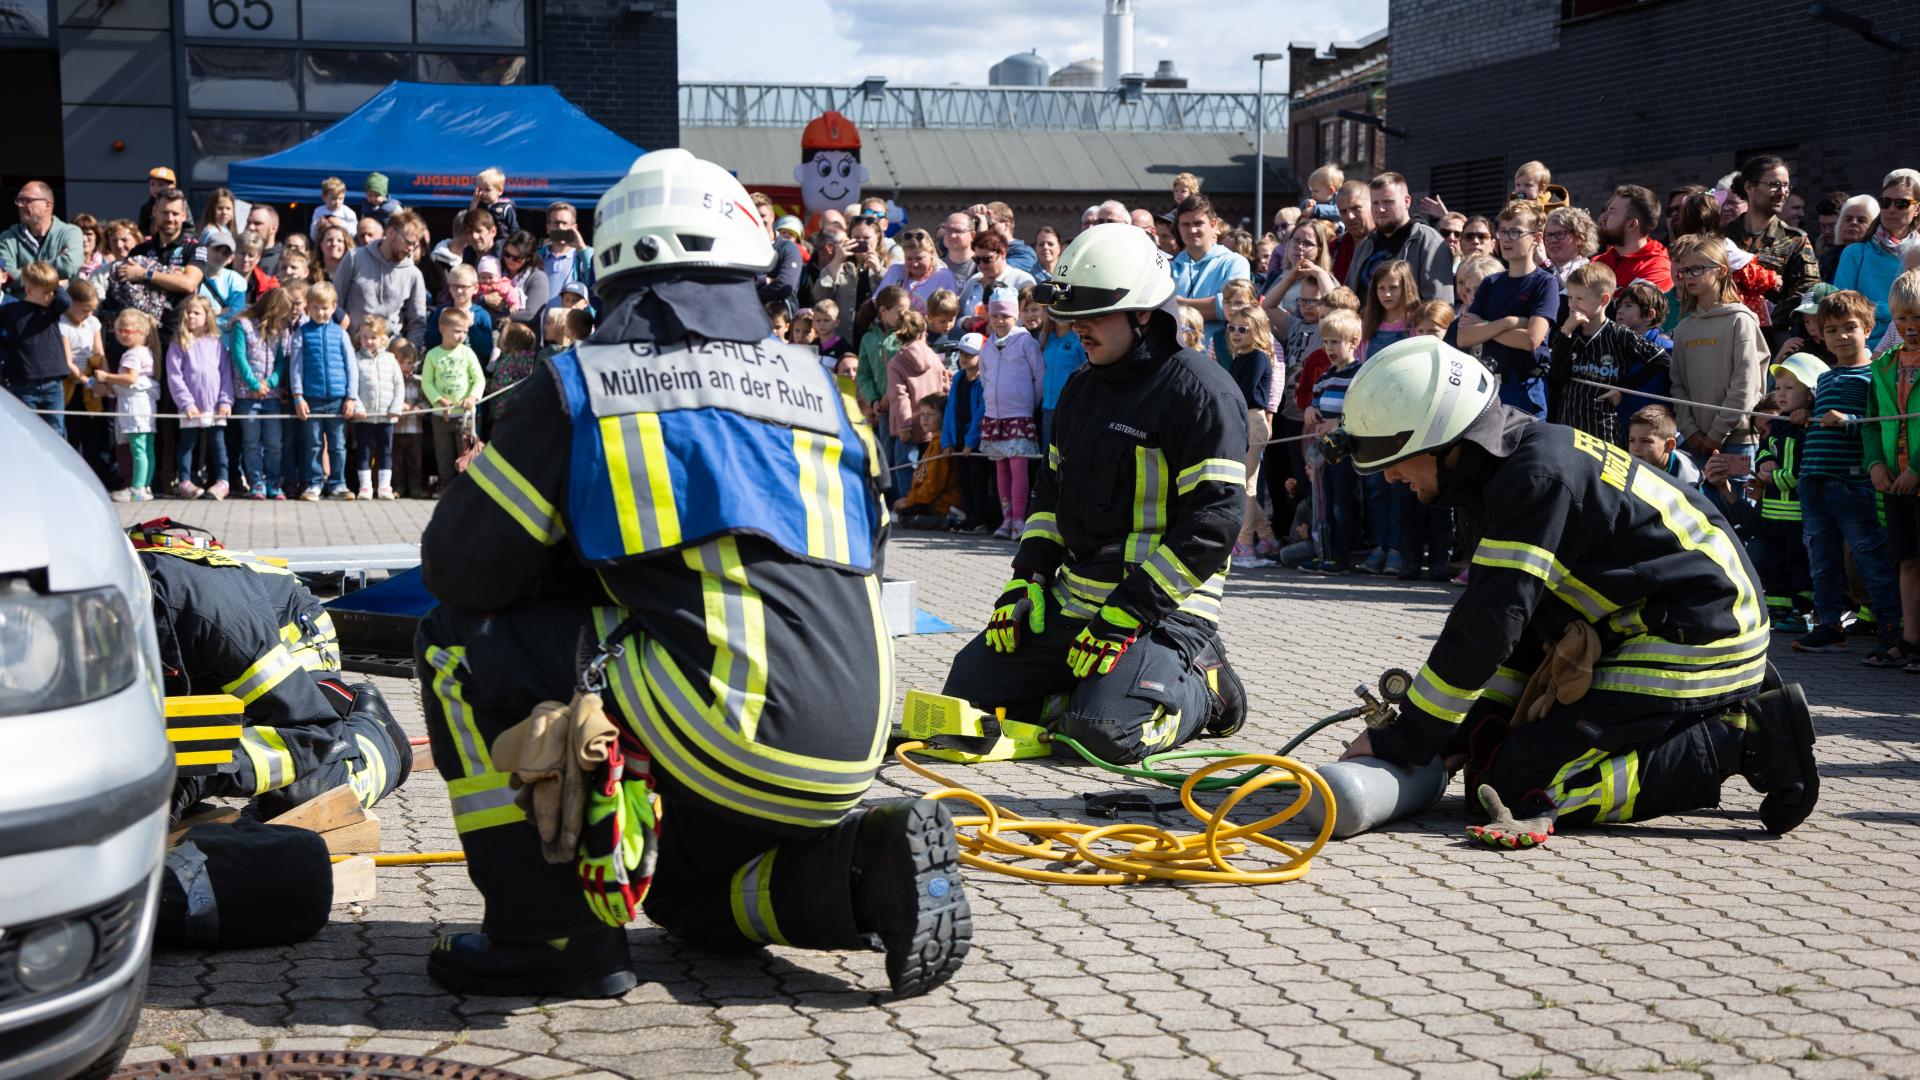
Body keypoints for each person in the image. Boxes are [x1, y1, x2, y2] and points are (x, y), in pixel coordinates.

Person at [409, 147, 969, 1001]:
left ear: (613, 270)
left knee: (453, 647)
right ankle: (865, 865)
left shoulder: (584, 385)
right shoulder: (827, 392)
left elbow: (461, 571)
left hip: (722, 724)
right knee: (681, 896)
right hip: (850, 742)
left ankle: (547, 932)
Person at [1332, 335, 1816, 848]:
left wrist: (1405, 739)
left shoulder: (1535, 478)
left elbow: (1487, 627)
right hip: (1650, 622)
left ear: (1447, 444)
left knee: (1523, 786)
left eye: (1396, 457)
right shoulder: (1500, 470)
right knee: (1488, 766)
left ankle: (1740, 738)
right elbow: (1521, 627)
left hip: (1703, 633)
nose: (1388, 475)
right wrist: (1466, 731)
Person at [942, 222, 1249, 765]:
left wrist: (1127, 613)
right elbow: (1049, 498)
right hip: (1076, 601)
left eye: (1093, 315)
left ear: (1144, 315)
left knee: (1102, 737)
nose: (1079, 328)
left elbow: (1213, 525)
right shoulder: (1082, 388)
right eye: (1072, 315)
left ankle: (1205, 687)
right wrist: (1026, 581)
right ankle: (1080, 695)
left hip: (1161, 609)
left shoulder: (1201, 393)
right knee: (964, 703)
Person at [142, 545, 408, 821]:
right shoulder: (109, 604)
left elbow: (309, 735)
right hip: (210, 653)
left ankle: (374, 733)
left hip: (288, 633)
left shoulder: (226, 623)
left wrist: (198, 773)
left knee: (302, 795)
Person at [1792, 289, 1905, 662]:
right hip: (1814, 480)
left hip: (1852, 482)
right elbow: (1819, 420)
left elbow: (1880, 427)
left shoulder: (1876, 374)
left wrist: (1850, 422)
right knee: (1820, 559)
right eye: (1831, 330)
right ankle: (1829, 626)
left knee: (1869, 557)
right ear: (1822, 336)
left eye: (1849, 327)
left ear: (1869, 328)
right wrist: (1801, 414)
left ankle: (1891, 629)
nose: (1841, 336)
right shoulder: (1825, 378)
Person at [1668, 235, 1769, 462]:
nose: (1688, 276)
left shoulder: (1740, 320)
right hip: (1694, 441)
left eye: (1698, 269)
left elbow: (1745, 384)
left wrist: (1717, 433)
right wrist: (1690, 431)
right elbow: (1678, 386)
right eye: (1685, 270)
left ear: (1722, 271)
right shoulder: (1684, 327)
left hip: (1738, 441)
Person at [1456, 200, 1559, 419]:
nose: (1506, 239)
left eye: (1515, 232)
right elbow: (1464, 336)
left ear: (1536, 238)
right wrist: (1510, 322)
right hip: (1490, 387)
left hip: (1525, 389)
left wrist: (1485, 328)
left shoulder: (1545, 283)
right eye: (1503, 232)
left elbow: (1531, 339)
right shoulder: (1490, 283)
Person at [1548, 263, 1670, 445]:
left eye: (1580, 298)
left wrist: (1622, 388)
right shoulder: (1569, 332)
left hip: (1604, 431)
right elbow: (1556, 376)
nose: (1572, 305)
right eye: (1570, 298)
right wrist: (1565, 332)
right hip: (1568, 426)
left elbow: (1662, 360)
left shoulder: (1619, 333)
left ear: (1604, 300)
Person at [1866, 270, 1920, 670]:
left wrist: (1917, 467)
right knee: (1906, 560)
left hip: (1916, 476)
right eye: (1902, 319)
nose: (1909, 327)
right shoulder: (1883, 365)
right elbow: (1871, 422)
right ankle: (1910, 640)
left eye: (1918, 318)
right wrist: (1875, 463)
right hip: (1895, 482)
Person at [1751, 352, 1823, 633]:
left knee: (1798, 564)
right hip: (1771, 512)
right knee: (1774, 562)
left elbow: (1803, 469)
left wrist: (1774, 477)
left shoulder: (1811, 427)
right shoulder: (1777, 424)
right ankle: (1778, 607)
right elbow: (1764, 449)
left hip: (1798, 514)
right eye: (1778, 387)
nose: (1780, 394)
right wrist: (1763, 460)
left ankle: (1801, 611)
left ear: (1810, 391)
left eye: (1790, 387)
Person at [1724, 155, 1821, 349]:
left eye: (1786, 186)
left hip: (1773, 340)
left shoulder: (1795, 239)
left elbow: (1808, 291)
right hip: (1725, 334)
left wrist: (1766, 312)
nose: (1783, 192)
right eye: (1775, 185)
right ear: (1750, 187)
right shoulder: (1723, 236)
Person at [976, 295, 1044, 538]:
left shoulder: (1025, 342)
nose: (1000, 320)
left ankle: (1019, 519)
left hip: (1019, 415)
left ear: (1014, 316)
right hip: (994, 415)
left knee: (1019, 468)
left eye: (1005, 315)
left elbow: (1039, 376)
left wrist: (1028, 403)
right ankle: (1006, 520)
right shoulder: (987, 347)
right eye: (995, 315)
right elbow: (984, 378)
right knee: (1001, 470)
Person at [289, 281, 359, 501]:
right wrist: (298, 396)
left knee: (338, 445)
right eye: (316, 307)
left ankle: (338, 484)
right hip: (312, 398)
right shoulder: (301, 334)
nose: (321, 312)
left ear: (333, 307)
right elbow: (296, 367)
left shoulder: (340, 334)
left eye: (325, 307)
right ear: (308, 308)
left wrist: (351, 397)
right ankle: (313, 483)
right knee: (313, 444)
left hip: (338, 400)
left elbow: (351, 367)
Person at [1834, 169, 1920, 341]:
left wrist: (1870, 306)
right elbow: (1841, 306)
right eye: (1885, 202)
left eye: (1901, 203)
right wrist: (1894, 311)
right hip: (1863, 351)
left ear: (1917, 209)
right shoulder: (1855, 252)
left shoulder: (1917, 253)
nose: (1891, 209)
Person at [1344, 172, 1455, 304]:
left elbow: (1440, 305)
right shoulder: (1366, 245)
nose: (1380, 209)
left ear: (1407, 201)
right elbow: (1348, 296)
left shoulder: (1428, 242)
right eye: (1375, 203)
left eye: (1388, 202)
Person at [227, 287, 295, 500]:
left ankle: (274, 482)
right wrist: (254, 384)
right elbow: (238, 357)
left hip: (271, 396)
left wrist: (271, 382)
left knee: (274, 442)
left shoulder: (281, 330)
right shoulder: (243, 325)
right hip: (247, 395)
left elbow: (281, 361)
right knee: (251, 442)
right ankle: (257, 482)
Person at [1224, 304, 1278, 565]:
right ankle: (1267, 538)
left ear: (1256, 331)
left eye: (1242, 329)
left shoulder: (1257, 357)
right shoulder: (1240, 357)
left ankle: (1245, 545)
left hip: (1253, 420)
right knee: (1244, 483)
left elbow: (1243, 392)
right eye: (1232, 328)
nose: (1235, 333)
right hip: (1241, 419)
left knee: (1247, 485)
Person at [332, 208, 430, 348]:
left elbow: (418, 322)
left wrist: (408, 355)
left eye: (415, 244)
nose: (411, 249)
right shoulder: (354, 258)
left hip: (390, 355)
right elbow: (335, 303)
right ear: (390, 232)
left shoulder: (413, 274)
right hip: (353, 348)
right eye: (408, 242)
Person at [167, 296, 233, 498]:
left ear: (207, 316)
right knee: (187, 443)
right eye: (188, 312)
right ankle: (185, 481)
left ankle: (222, 481)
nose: (191, 316)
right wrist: (186, 403)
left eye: (196, 313)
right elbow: (174, 376)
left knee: (218, 444)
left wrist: (225, 400)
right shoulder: (179, 344)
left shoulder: (216, 343)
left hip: (215, 406)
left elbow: (225, 374)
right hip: (190, 407)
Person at [0, 261, 75, 434]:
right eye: (46, 292)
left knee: (56, 429)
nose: (51, 296)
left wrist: (56, 286)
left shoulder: (52, 310)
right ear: (29, 291)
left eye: (52, 291)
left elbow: (65, 301)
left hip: (52, 382)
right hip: (24, 383)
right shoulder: (11, 310)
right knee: (27, 431)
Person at [1170, 195, 1252, 343]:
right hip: (1175, 355)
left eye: (1198, 223)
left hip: (1216, 358)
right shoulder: (1170, 267)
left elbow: (1233, 307)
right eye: (1186, 225)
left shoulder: (1234, 262)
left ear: (1213, 224)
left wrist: (1179, 305)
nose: (1192, 230)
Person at [103, 309, 160, 499]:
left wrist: (107, 377)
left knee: (138, 448)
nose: (120, 334)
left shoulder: (131, 355)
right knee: (147, 447)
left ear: (141, 332)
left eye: (125, 331)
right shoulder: (146, 352)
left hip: (135, 408)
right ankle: (145, 486)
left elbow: (130, 378)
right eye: (118, 330)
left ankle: (137, 487)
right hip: (146, 406)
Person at [351, 314, 404, 500]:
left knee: (385, 451)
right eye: (365, 337)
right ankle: (365, 487)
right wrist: (357, 407)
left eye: (373, 337)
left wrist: (396, 407)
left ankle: (384, 487)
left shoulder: (390, 359)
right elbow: (351, 387)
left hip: (386, 416)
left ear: (383, 339)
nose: (368, 341)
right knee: (364, 450)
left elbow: (399, 385)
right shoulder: (356, 359)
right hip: (364, 416)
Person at [1, 181, 83, 295]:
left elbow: (69, 265)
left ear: (47, 205)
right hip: (22, 309)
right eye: (18, 200)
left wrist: (23, 270)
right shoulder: (7, 238)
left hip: (59, 309)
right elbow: (7, 276)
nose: (20, 205)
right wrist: (54, 275)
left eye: (26, 200)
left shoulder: (70, 233)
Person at [895, 393, 961, 528]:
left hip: (941, 503)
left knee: (905, 518)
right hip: (928, 500)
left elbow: (933, 485)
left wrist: (909, 501)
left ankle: (948, 521)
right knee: (901, 512)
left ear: (944, 417)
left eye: (931, 414)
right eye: (922, 414)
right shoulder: (932, 443)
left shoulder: (940, 445)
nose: (924, 419)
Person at [1594, 184, 1673, 292]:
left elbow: (1634, 308)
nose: (1603, 217)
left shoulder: (1658, 269)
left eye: (1612, 212)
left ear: (1631, 225)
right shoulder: (1598, 262)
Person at [959, 232, 1036, 325]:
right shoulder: (974, 280)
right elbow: (959, 314)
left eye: (987, 259)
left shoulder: (1022, 280)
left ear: (1002, 253)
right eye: (977, 260)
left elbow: (1032, 318)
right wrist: (965, 323)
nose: (981, 265)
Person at [877, 228, 958, 313]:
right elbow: (878, 301)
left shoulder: (943, 276)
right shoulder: (895, 271)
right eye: (909, 259)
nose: (914, 264)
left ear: (931, 254)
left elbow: (950, 311)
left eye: (919, 259)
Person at [538, 201, 593, 318]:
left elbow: (595, 281)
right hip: (540, 329)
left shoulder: (583, 256)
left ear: (574, 227)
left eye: (565, 223)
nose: (561, 228)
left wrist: (582, 248)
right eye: (556, 223)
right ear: (548, 227)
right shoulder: (537, 256)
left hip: (572, 329)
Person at [198, 227, 247, 330]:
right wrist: (222, 311)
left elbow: (236, 311)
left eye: (225, 253)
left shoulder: (236, 281)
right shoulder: (194, 274)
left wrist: (210, 314)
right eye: (216, 249)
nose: (220, 255)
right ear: (206, 248)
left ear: (231, 259)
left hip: (223, 340)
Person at [1821, 195, 1877, 283]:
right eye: (1848, 219)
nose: (1854, 222)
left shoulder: (1878, 259)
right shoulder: (1827, 260)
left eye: (1861, 220)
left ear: (1874, 226)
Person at [1543, 207, 1597, 292]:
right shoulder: (1536, 267)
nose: (1553, 240)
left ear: (1580, 236)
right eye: (1549, 234)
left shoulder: (1588, 273)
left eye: (1560, 234)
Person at [1330, 180, 1373, 287]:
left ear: (1372, 205)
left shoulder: (1389, 244)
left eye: (1356, 208)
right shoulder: (1335, 247)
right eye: (1343, 211)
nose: (1350, 216)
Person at [471, 166, 520, 238]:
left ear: (500, 191)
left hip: (502, 242)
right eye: (480, 190)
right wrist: (474, 201)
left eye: (487, 190)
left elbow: (514, 229)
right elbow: (470, 221)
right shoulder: (479, 206)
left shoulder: (505, 207)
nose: (483, 193)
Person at [309, 176, 359, 243]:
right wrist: (318, 225)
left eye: (340, 198)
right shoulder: (318, 211)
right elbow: (313, 236)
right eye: (333, 198)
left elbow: (355, 232)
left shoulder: (348, 212)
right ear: (324, 197)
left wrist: (340, 224)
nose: (337, 202)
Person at [938, 212, 975, 280]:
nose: (952, 236)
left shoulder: (982, 265)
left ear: (972, 235)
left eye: (958, 231)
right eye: (948, 230)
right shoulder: (935, 267)